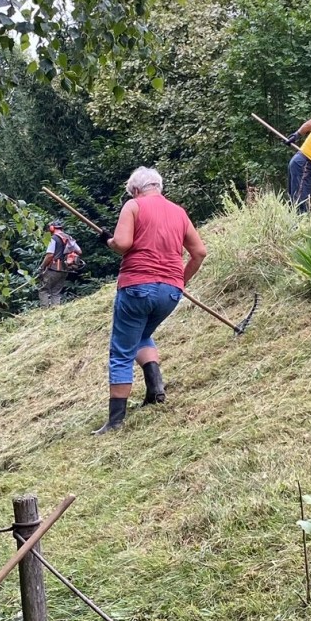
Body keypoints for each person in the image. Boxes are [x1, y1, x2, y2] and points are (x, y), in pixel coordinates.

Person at [95, 167, 208, 435]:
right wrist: (180, 280)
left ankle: (115, 421)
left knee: (122, 350)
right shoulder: (179, 212)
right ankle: (155, 388)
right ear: (158, 186)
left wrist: (108, 241)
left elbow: (123, 244)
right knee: (141, 335)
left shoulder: (133, 206)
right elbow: (200, 252)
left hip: (137, 287)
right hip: (169, 292)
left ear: (135, 190)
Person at [37, 219, 83, 307]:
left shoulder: (53, 238)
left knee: (44, 290)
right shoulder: (68, 237)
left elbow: (50, 255)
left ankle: (44, 312)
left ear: (51, 228)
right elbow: (79, 251)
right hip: (65, 269)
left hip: (54, 269)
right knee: (56, 292)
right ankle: (55, 311)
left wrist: (42, 266)